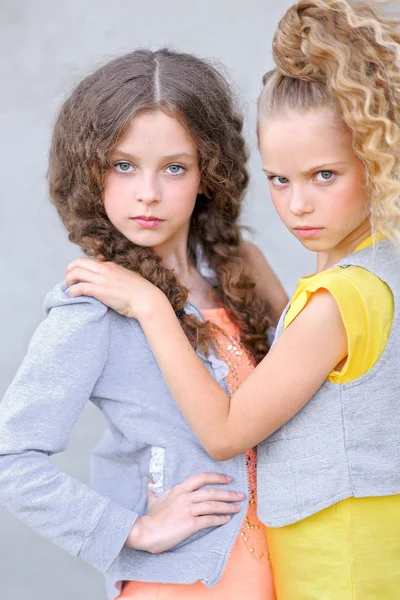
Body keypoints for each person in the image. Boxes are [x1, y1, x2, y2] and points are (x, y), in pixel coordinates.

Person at [68, 2, 400, 598]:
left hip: (336, 559)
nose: (297, 205)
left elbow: (226, 434)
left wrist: (150, 306)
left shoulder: (337, 300)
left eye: (324, 175)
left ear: (377, 162)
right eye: (280, 179)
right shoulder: (372, 269)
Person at [0, 49, 287, 600]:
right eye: (122, 165)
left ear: (209, 172)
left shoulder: (239, 266)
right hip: (186, 582)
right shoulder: (93, 305)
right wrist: (135, 530)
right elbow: (13, 460)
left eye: (174, 167)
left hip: (284, 565)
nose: (148, 192)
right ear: (89, 168)